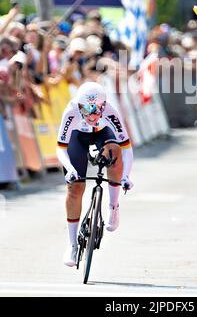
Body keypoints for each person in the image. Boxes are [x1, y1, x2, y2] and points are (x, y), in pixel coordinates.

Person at [56, 81, 134, 267]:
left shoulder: (111, 112)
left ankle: (113, 207)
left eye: (97, 109)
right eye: (87, 108)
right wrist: (71, 170)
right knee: (75, 188)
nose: (92, 114)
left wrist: (126, 176)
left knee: (114, 151)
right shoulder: (71, 111)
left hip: (102, 134)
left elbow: (127, 149)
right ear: (79, 105)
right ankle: (73, 245)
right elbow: (61, 148)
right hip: (77, 137)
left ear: (104, 106)